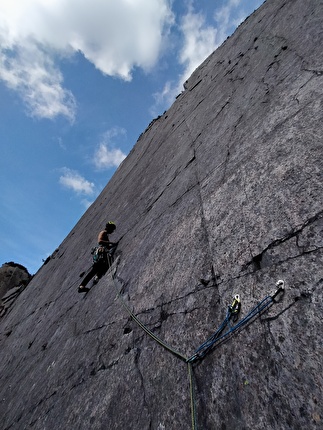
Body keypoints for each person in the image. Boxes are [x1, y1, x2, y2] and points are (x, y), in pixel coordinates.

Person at [78, 221, 118, 293]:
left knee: (96, 269)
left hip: (102, 252)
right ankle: (92, 279)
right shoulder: (103, 233)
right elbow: (100, 241)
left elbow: (106, 245)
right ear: (109, 228)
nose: (112, 231)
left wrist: (110, 245)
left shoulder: (106, 234)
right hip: (100, 252)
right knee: (98, 267)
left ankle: (83, 285)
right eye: (112, 229)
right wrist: (111, 243)